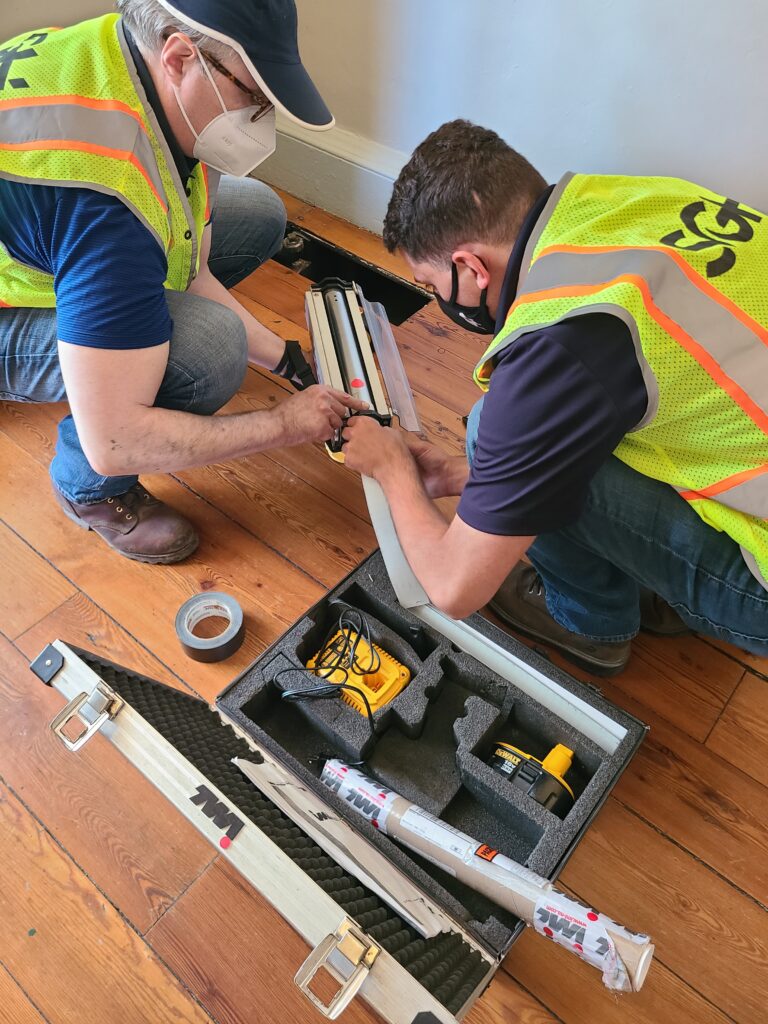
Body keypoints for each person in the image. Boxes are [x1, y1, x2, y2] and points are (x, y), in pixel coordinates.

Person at [342, 119, 768, 677]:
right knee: (514, 441)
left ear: (470, 267)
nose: (436, 299)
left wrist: (393, 466)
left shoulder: (563, 346)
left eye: (431, 285)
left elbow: (451, 586)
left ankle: (589, 624)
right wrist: (455, 476)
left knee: (488, 426)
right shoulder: (629, 201)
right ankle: (663, 587)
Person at [0, 0, 363, 564]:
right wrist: (282, 424)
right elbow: (115, 437)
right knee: (209, 351)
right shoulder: (108, 202)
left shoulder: (119, 55)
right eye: (253, 97)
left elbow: (190, 268)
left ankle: (115, 342)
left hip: (53, 239)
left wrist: (291, 360)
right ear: (179, 55)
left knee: (258, 212)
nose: (261, 119)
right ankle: (87, 492)